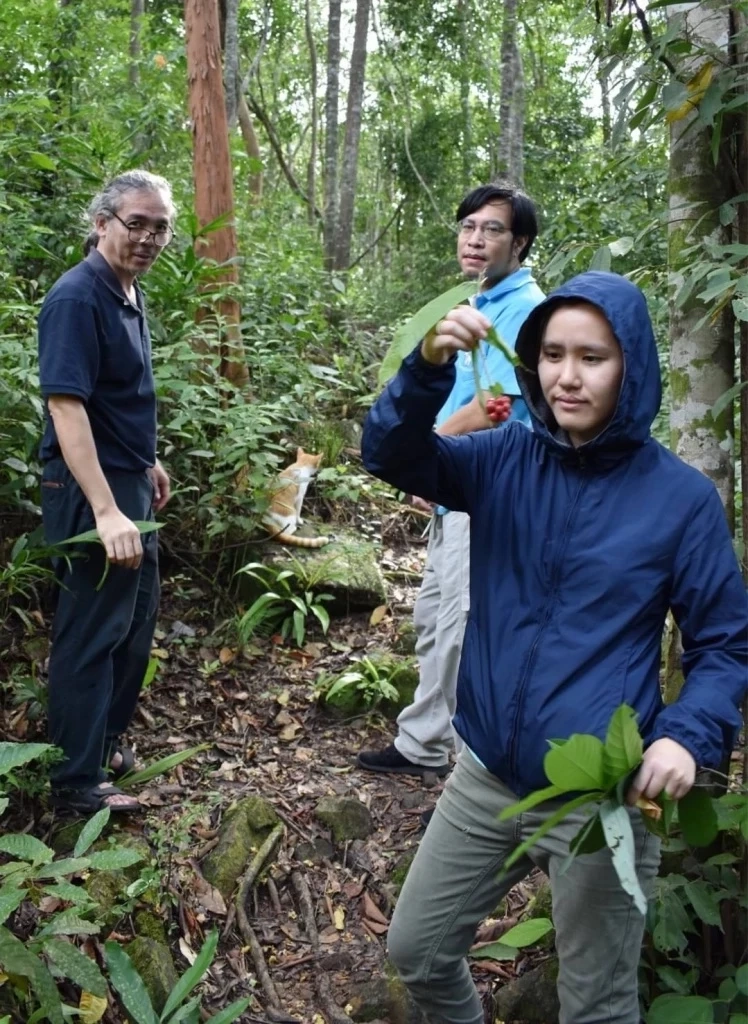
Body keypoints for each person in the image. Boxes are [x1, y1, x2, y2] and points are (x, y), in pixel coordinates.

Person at [361, 270, 748, 1024]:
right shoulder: (502, 457)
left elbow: (725, 645)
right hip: (488, 774)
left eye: (593, 358)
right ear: (532, 359)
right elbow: (392, 456)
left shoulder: (680, 500)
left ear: (630, 365)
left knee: (595, 1006)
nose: (568, 376)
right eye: (553, 354)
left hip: (602, 792)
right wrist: (427, 365)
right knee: (418, 950)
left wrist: (683, 738)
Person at [357, 182, 544, 792]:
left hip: (488, 485)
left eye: (491, 229)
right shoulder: (476, 298)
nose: (474, 238)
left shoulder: (524, 307)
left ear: (518, 242)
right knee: (436, 618)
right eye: (467, 227)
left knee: (466, 623)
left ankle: (474, 762)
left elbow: (498, 401)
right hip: (453, 482)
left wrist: (426, 449)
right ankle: (424, 743)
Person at [38, 169, 175, 814]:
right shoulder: (78, 297)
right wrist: (105, 508)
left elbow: (117, 396)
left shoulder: (128, 289)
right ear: (101, 223)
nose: (148, 236)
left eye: (160, 226)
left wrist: (146, 462)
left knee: (135, 620)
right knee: (92, 631)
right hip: (91, 490)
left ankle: (103, 744)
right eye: (136, 223)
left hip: (127, 480)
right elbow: (67, 409)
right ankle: (75, 786)